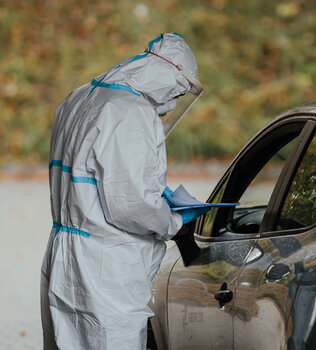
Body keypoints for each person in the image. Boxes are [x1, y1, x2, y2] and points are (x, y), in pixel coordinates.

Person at [41, 32, 207, 349]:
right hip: (107, 267)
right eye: (180, 89)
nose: (174, 101)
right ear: (170, 75)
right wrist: (175, 223)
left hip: (65, 254)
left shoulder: (77, 98)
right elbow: (131, 206)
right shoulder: (130, 112)